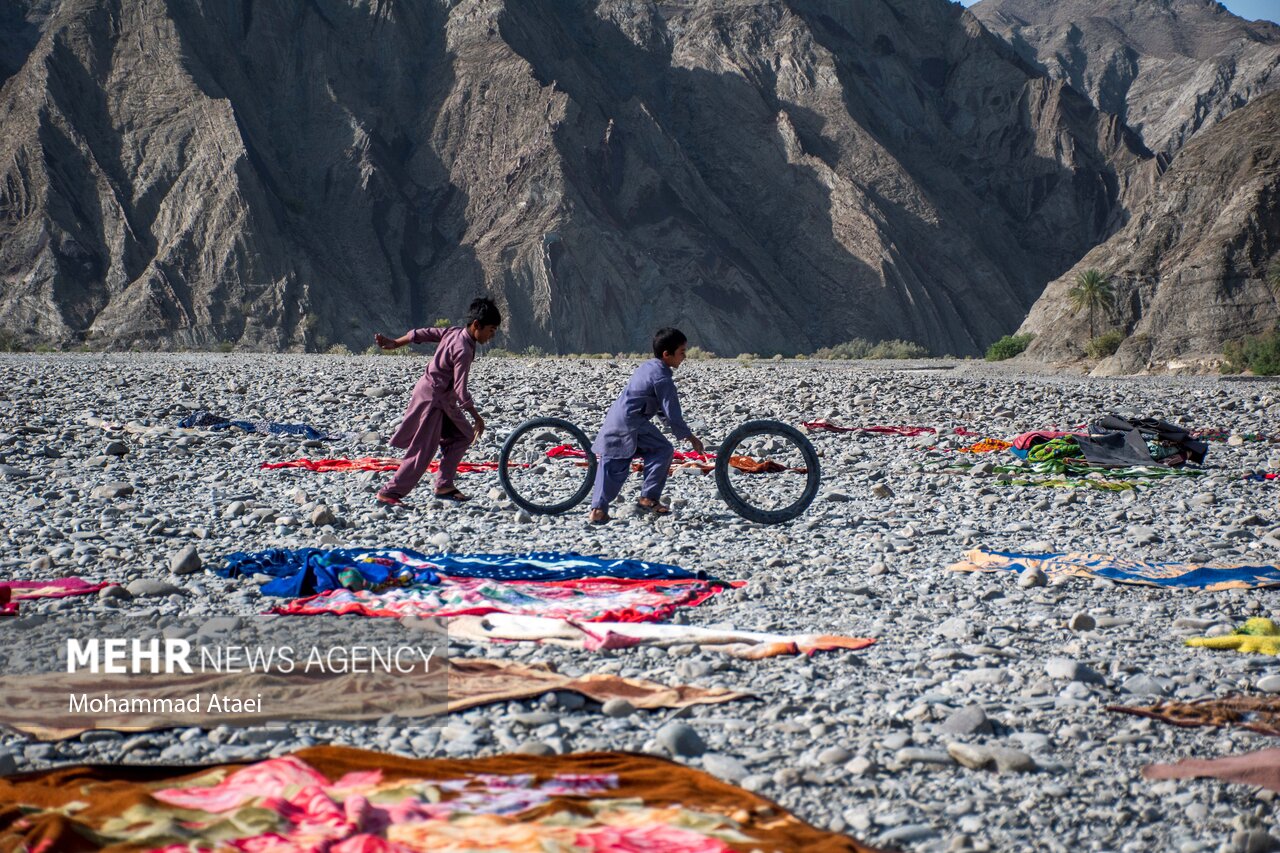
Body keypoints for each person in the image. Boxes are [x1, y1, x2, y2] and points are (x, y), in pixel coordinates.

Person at [373, 297, 501, 506]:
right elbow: (461, 390)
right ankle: (389, 492)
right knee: (423, 450)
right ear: (477, 325)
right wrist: (478, 418)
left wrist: (396, 343)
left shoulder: (455, 332)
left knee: (464, 435)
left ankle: (444, 485)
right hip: (433, 399)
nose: (491, 335)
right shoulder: (464, 349)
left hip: (441, 399)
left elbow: (423, 333)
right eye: (491, 330)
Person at [588, 327, 705, 524]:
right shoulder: (663, 378)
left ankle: (597, 510)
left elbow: (660, 409)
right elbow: (672, 413)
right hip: (632, 423)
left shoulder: (648, 367)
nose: (684, 357)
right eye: (682, 352)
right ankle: (648, 498)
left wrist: (675, 428)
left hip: (616, 418)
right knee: (663, 450)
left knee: (612, 463)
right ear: (667, 354)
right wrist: (691, 438)